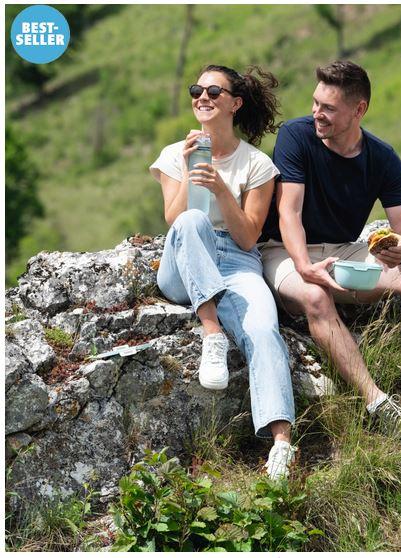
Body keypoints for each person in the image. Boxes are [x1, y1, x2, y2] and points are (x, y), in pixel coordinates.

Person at [258, 60, 401, 436]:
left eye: (328, 108)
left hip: (343, 251)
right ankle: (376, 401)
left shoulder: (382, 157)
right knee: (314, 295)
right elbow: (289, 212)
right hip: (282, 249)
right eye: (315, 103)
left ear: (358, 109)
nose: (317, 113)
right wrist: (303, 265)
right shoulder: (295, 136)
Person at [150, 64, 296, 478]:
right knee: (192, 222)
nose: (203, 97)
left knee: (264, 330)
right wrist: (186, 168)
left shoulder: (256, 165)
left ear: (235, 103)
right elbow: (175, 219)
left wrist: (219, 187)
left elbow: (250, 236)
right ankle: (211, 333)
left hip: (235, 261)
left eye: (214, 92)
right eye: (197, 90)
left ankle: (281, 443)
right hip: (186, 262)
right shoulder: (174, 154)